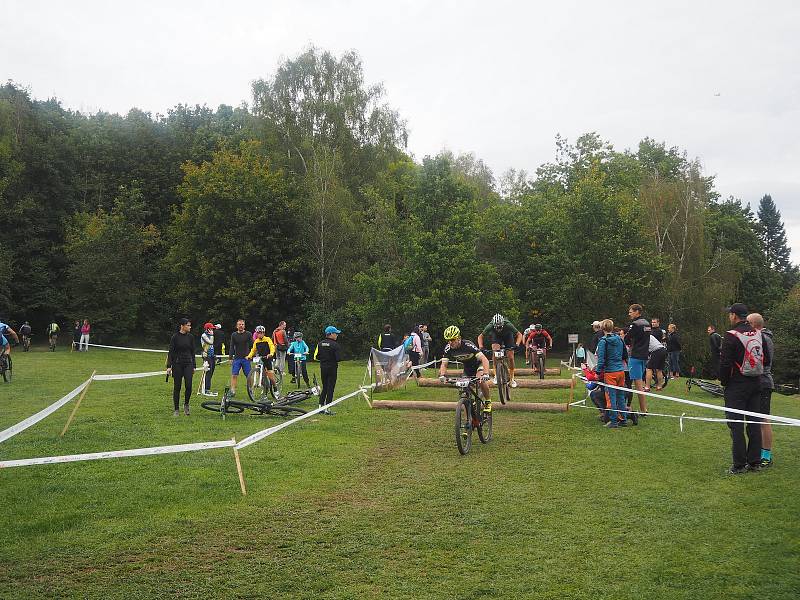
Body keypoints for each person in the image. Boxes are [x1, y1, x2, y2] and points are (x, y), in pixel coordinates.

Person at [720, 303, 769, 474]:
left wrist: (724, 382)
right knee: (754, 423)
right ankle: (754, 462)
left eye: (730, 314)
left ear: (734, 316)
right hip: (756, 383)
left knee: (736, 424)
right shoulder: (758, 333)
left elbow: (725, 363)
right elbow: (766, 359)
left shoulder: (731, 335)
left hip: (737, 385)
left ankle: (739, 465)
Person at [438, 325, 492, 406]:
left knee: (480, 380)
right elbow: (444, 364)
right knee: (464, 390)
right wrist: (442, 375)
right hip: (467, 368)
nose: (450, 342)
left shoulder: (468, 345)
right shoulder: (448, 348)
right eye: (448, 340)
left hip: (478, 364)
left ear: (459, 338)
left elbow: (484, 359)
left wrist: (486, 373)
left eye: (452, 340)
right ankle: (469, 408)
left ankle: (488, 401)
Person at [747, 313, 775, 468]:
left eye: (747, 323)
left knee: (764, 420)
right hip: (754, 383)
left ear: (753, 324)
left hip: (763, 382)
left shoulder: (765, 339)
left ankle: (766, 455)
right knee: (754, 420)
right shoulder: (756, 337)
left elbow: (763, 362)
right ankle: (755, 452)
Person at [596, 319, 627, 428]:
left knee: (611, 397)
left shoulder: (603, 341)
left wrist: (597, 372)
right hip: (621, 371)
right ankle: (623, 419)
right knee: (621, 397)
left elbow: (601, 359)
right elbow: (625, 354)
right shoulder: (619, 338)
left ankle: (614, 422)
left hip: (610, 372)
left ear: (602, 328)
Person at [477, 313, 524, 388]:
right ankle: (496, 375)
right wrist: (481, 347)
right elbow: (480, 337)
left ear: (503, 324)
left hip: (508, 336)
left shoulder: (508, 324)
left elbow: (519, 335)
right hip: (496, 337)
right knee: (495, 352)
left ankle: (512, 379)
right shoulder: (490, 325)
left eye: (500, 327)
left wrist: (517, 344)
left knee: (511, 357)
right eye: (497, 327)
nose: (499, 329)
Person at [166, 318, 197, 416]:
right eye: (188, 325)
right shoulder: (175, 337)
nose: (189, 327)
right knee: (177, 387)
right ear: (182, 326)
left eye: (190, 325)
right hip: (177, 364)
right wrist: (169, 366)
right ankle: (176, 409)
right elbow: (171, 352)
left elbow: (193, 352)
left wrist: (194, 366)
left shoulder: (191, 337)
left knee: (189, 386)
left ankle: (186, 405)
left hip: (188, 363)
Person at [627, 304, 651, 415]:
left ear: (637, 312)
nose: (629, 313)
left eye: (631, 311)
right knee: (638, 383)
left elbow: (627, 338)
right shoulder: (647, 323)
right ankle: (635, 407)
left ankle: (643, 410)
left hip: (635, 356)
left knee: (638, 385)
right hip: (644, 356)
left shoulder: (635, 324)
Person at [314, 326, 342, 415]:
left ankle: (320, 407)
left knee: (325, 387)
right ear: (330, 334)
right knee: (330, 388)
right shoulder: (335, 345)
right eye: (335, 333)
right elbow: (338, 358)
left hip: (323, 368)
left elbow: (316, 356)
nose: (337, 335)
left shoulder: (320, 344)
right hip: (332, 368)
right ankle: (327, 409)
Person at [246, 325, 278, 392]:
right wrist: (249, 356)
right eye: (258, 333)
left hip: (268, 357)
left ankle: (275, 387)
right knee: (261, 373)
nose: (260, 334)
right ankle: (265, 388)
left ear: (264, 333)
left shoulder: (267, 339)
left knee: (270, 375)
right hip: (260, 358)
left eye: (261, 333)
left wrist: (271, 354)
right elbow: (253, 350)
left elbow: (272, 347)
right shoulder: (256, 341)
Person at [229, 319, 252, 396]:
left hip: (246, 358)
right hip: (237, 358)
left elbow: (252, 346)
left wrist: (251, 356)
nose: (241, 326)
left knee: (248, 375)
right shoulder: (234, 335)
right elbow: (231, 346)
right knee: (234, 374)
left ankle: (250, 390)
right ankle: (232, 391)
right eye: (239, 324)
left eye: (242, 324)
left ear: (244, 325)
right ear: (237, 326)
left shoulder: (248, 334)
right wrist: (230, 358)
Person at [200, 322, 217, 396]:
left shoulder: (210, 335)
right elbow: (210, 342)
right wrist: (212, 335)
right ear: (207, 329)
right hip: (206, 355)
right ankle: (206, 390)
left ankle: (208, 389)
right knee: (208, 372)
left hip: (211, 355)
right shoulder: (204, 335)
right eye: (211, 328)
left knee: (212, 371)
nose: (212, 330)